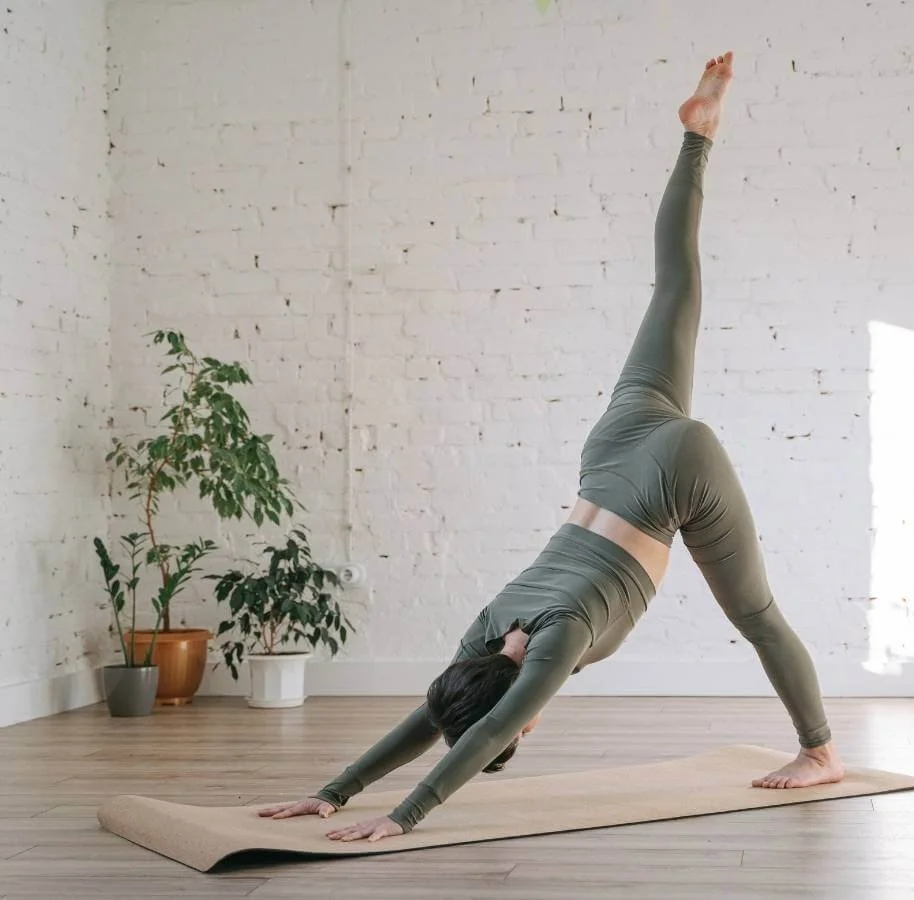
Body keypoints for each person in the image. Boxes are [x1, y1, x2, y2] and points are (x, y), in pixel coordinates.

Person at [258, 51, 844, 844]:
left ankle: (821, 753)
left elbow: (485, 728)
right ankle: (698, 138)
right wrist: (332, 792)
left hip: (676, 478)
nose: (522, 729)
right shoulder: (485, 630)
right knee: (675, 286)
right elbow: (435, 713)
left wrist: (403, 816)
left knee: (757, 614)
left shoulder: (555, 647)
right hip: (616, 447)